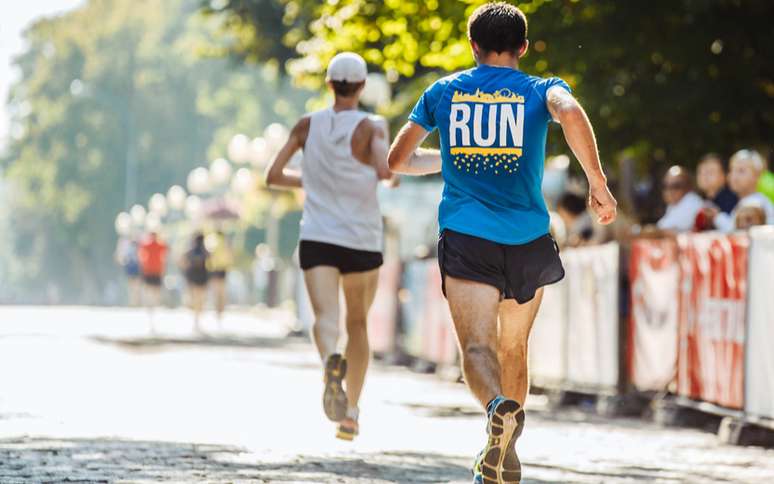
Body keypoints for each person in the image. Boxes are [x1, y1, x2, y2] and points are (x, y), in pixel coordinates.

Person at [387, 3, 617, 483]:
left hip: (468, 236)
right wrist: (596, 179)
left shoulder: (443, 92)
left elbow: (398, 159)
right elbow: (571, 112)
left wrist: (450, 158)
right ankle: (506, 449)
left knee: (477, 348)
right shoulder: (541, 89)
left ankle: (496, 410)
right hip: (528, 238)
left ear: (473, 46)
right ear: (523, 47)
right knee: (514, 348)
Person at [265, 52, 395, 441]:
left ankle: (329, 362)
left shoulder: (307, 125)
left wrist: (313, 180)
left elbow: (273, 174)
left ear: (328, 85)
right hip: (361, 239)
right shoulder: (373, 126)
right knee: (357, 323)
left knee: (325, 317)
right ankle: (351, 413)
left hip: (318, 236)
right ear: (362, 86)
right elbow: (386, 173)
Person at [711, 149, 774, 232]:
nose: (734, 176)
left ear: (757, 176)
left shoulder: (755, 203)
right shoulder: (745, 201)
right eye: (731, 170)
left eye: (741, 171)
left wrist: (716, 216)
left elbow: (738, 233)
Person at [656, 165, 704, 232]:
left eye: (676, 186)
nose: (670, 191)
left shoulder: (692, 202)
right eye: (665, 186)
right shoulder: (673, 205)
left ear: (688, 186)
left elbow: (665, 230)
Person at [137, 231, 168, 331]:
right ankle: (152, 306)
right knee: (154, 292)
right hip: (155, 271)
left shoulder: (147, 244)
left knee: (151, 292)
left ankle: (151, 306)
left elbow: (141, 255)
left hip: (151, 271)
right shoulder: (159, 244)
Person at [181, 233, 209, 334]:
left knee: (194, 297)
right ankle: (197, 317)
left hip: (192, 277)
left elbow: (183, 260)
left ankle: (195, 318)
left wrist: (185, 271)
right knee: (200, 298)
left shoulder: (190, 251)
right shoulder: (205, 251)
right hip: (202, 277)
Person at [207, 230, 233, 326]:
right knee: (222, 292)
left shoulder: (212, 241)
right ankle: (220, 311)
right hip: (223, 269)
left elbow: (209, 256)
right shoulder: (226, 242)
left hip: (215, 269)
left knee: (216, 292)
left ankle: (218, 310)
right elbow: (230, 257)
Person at [115, 237, 141, 306]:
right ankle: (133, 301)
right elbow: (120, 254)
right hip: (130, 265)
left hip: (136, 265)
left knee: (136, 284)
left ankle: (135, 301)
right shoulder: (125, 241)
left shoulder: (138, 240)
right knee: (132, 284)